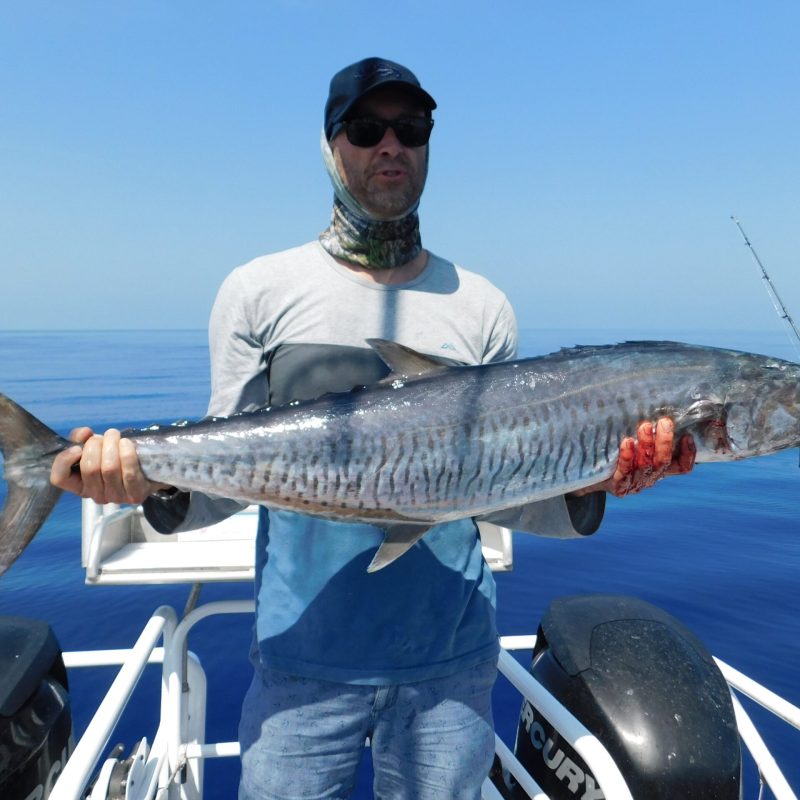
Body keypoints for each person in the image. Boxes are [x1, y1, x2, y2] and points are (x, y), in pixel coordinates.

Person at [51, 57, 695, 799]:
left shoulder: (481, 308)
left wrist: (596, 479)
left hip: (449, 665)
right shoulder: (260, 292)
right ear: (332, 147)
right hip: (301, 659)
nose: (390, 145)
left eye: (410, 128)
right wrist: (141, 482)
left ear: (426, 144)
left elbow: (500, 493)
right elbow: (223, 483)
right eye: (366, 129)